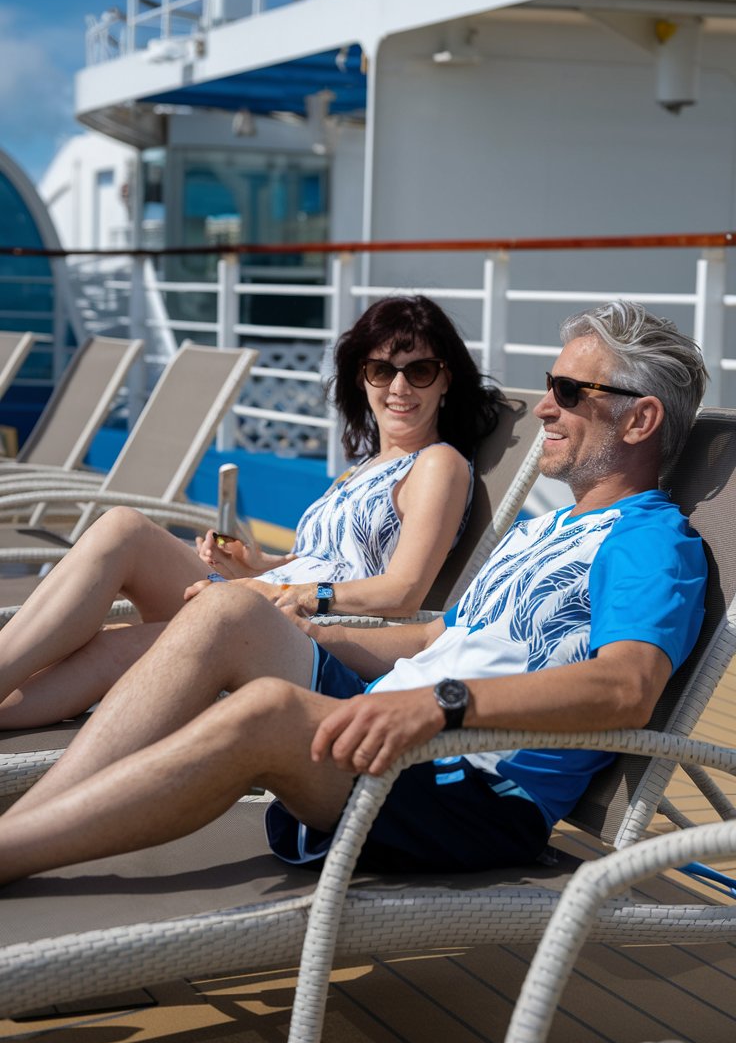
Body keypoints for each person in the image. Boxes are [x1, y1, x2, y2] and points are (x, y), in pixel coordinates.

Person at [0, 301, 709, 885]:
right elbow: (439, 636)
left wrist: (442, 703)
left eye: (569, 392)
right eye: (549, 386)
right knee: (230, 609)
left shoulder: (651, 542)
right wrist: (311, 634)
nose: (546, 409)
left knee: (270, 708)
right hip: (394, 729)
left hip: (475, 786)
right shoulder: (546, 529)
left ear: (640, 419)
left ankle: (12, 852)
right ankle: (21, 829)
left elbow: (627, 687)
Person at [0, 294, 502, 730]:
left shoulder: (439, 464)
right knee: (122, 529)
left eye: (419, 371)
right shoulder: (366, 467)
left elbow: (402, 591)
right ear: (362, 379)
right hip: (271, 601)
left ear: (445, 381)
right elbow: (326, 559)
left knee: (113, 649)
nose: (399, 387)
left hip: (306, 636)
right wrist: (257, 567)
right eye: (381, 370)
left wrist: (279, 589)